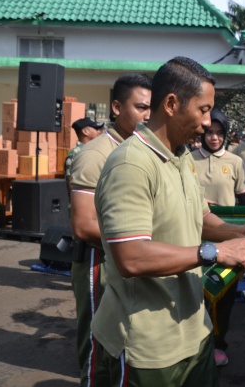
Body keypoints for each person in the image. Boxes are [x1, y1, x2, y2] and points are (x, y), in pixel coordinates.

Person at [91, 56, 245, 386]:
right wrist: (214, 253)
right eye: (202, 110)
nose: (206, 123)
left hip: (195, 332)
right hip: (147, 346)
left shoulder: (181, 156)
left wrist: (241, 233)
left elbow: (201, 219)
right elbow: (131, 257)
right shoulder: (131, 164)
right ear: (171, 104)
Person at [68, 74, 151, 387]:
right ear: (116, 107)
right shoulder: (95, 155)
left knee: (122, 341)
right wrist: (138, 241)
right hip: (97, 261)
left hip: (128, 259)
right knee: (96, 343)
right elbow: (82, 225)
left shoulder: (139, 150)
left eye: (151, 108)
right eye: (140, 107)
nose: (147, 115)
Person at [192, 108, 245, 367]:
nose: (213, 138)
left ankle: (219, 343)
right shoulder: (187, 160)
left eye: (219, 133)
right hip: (193, 237)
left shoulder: (234, 161)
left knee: (223, 294)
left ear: (225, 135)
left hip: (228, 237)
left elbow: (243, 194)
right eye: (209, 132)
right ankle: (194, 345)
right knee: (193, 291)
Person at [64, 117, 104, 192]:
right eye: (96, 129)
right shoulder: (75, 154)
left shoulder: (95, 150)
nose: (99, 132)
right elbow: (71, 184)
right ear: (85, 131)